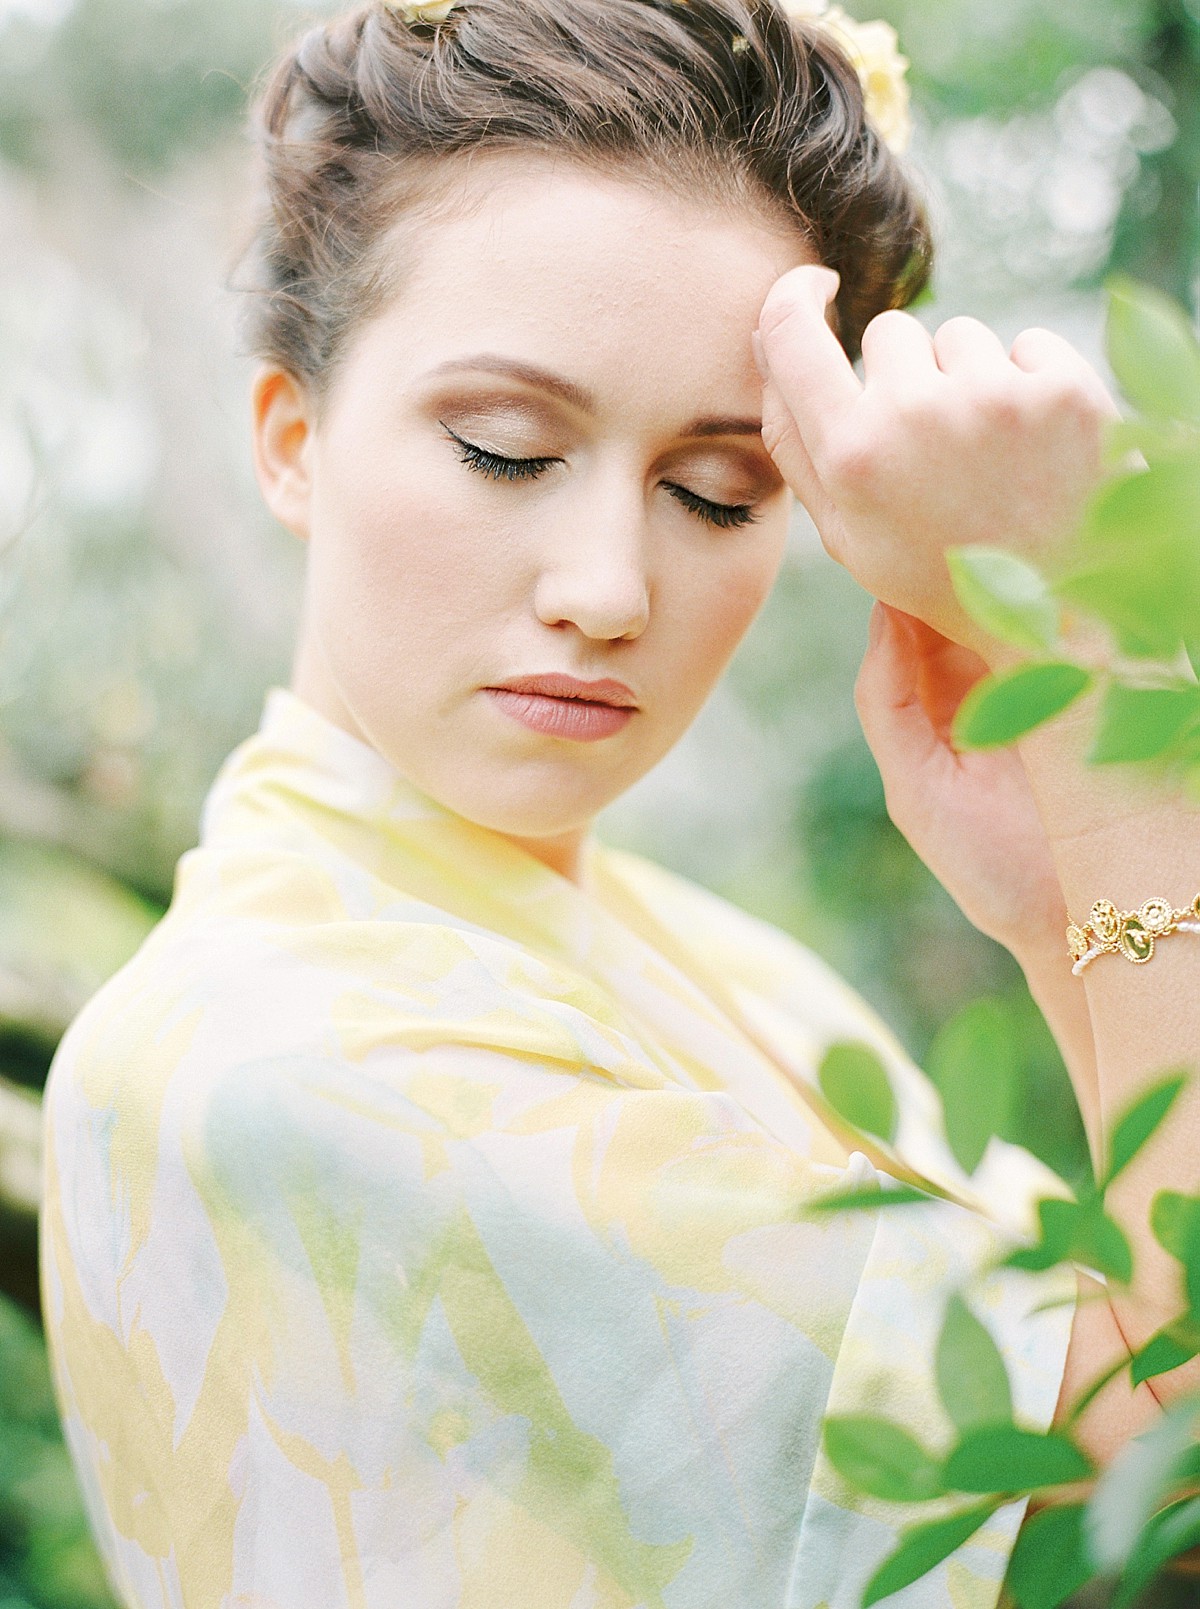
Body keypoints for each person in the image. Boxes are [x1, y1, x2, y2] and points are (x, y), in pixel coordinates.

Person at [36, 0, 1197, 1604]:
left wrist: (1063, 910)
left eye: (719, 490)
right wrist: (1112, 725)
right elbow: (1154, 1471)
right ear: (291, 440)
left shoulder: (714, 963)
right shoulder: (278, 1055)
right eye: (508, 450)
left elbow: (1138, 1325)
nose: (605, 588)